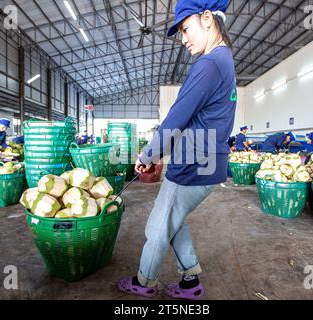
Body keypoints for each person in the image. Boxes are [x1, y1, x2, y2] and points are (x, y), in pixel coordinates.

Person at [117, 0, 236, 300]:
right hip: (209, 164)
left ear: (207, 19)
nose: (183, 39)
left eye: (185, 28)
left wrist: (146, 156)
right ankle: (190, 280)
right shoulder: (224, 60)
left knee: (157, 226)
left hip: (192, 166)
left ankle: (144, 282)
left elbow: (174, 120)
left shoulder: (208, 64)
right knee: (174, 220)